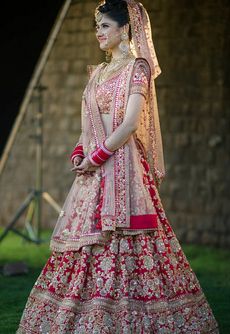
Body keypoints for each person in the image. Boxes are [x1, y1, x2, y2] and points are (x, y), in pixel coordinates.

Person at [17, 0, 219, 333]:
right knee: (86, 243)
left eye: (105, 25)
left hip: (124, 167)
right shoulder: (97, 72)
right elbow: (88, 124)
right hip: (93, 173)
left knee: (130, 238)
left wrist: (96, 157)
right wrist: (80, 152)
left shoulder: (136, 68)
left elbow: (128, 125)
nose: (98, 32)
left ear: (125, 28)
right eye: (96, 26)